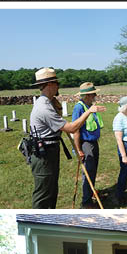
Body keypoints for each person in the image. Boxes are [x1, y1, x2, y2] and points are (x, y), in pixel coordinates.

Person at [29, 67, 106, 209]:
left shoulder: (49, 103)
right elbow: (71, 128)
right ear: (50, 85)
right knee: (43, 193)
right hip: (43, 154)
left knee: (51, 190)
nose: (59, 86)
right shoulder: (43, 107)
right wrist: (89, 111)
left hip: (50, 150)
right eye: (57, 83)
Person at [72, 82, 103, 209]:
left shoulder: (90, 106)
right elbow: (76, 130)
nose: (95, 95)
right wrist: (78, 149)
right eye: (93, 93)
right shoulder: (79, 108)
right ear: (87, 95)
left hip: (93, 143)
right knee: (88, 172)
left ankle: (91, 194)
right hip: (86, 144)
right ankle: (86, 202)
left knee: (93, 170)